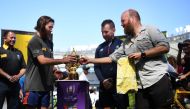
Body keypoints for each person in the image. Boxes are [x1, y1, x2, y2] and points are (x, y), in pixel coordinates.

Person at [81, 9, 173, 109]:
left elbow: (165, 47)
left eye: (123, 21)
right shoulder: (126, 42)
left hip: (158, 80)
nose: (121, 24)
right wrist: (89, 60)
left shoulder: (149, 29)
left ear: (132, 19)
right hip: (141, 86)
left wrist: (142, 54)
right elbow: (110, 59)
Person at [23, 16, 77, 109]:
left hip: (47, 86)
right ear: (42, 26)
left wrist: (55, 70)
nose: (52, 30)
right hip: (33, 87)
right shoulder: (34, 40)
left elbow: (50, 61)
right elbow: (42, 60)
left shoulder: (49, 42)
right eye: (50, 27)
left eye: (52, 27)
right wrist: (63, 60)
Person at [94, 19, 128, 109]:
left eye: (106, 32)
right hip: (104, 87)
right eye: (102, 32)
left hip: (119, 86)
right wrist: (103, 80)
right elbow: (96, 67)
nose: (104, 34)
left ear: (113, 30)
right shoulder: (99, 48)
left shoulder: (122, 45)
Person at [0, 31, 26, 109]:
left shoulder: (19, 52)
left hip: (14, 86)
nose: (13, 39)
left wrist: (18, 76)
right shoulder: (0, 50)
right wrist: (8, 77)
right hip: (1, 84)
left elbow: (24, 68)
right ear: (4, 38)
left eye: (15, 38)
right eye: (11, 37)